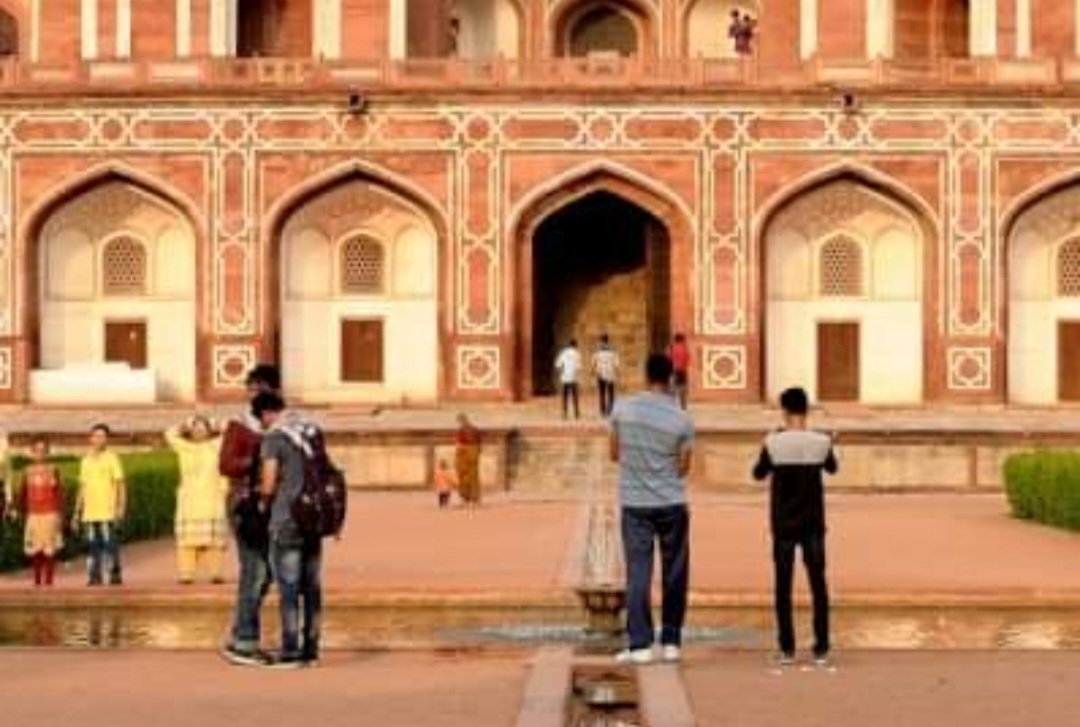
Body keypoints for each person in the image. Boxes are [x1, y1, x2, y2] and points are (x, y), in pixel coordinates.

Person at [609, 353, 695, 665]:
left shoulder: (622, 409)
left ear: (645, 376)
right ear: (671, 378)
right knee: (675, 572)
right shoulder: (682, 418)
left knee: (638, 572)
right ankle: (671, 641)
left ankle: (640, 644)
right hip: (671, 502)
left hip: (635, 503)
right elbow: (684, 467)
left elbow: (614, 453)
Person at [752, 387, 838, 667]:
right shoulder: (820, 441)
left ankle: (787, 648)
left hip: (783, 524)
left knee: (783, 586)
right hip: (813, 523)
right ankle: (821, 647)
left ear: (785, 411)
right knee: (818, 585)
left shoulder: (774, 442)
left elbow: (758, 473)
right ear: (807, 410)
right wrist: (830, 443)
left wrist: (764, 445)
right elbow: (832, 468)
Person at [254, 392, 323, 667]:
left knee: (289, 588)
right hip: (314, 518)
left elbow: (269, 482)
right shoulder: (311, 431)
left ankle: (291, 649)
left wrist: (262, 502)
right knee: (313, 587)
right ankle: (312, 649)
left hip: (287, 519)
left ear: (265, 414)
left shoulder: (274, 438)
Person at [219, 364, 279, 667]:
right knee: (255, 570)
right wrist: (258, 457)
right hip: (244, 503)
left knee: (265, 572)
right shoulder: (240, 425)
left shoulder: (278, 423)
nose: (253, 394)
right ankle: (244, 641)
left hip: (269, 506)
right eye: (251, 389)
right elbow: (226, 465)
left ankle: (238, 631)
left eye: (260, 389)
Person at [166, 416, 229, 585]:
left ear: (209, 432)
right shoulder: (184, 447)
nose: (199, 432)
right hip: (189, 499)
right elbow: (170, 434)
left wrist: (215, 423)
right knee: (187, 541)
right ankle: (186, 573)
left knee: (214, 541)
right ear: (190, 432)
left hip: (212, 497)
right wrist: (185, 423)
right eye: (195, 429)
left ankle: (215, 573)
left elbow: (229, 432)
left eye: (203, 429)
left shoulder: (215, 446)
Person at [73, 424, 126, 587]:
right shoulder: (86, 460)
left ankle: (114, 574)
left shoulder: (112, 458)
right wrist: (76, 512)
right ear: (90, 438)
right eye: (95, 436)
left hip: (107, 512)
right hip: (89, 513)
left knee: (110, 546)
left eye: (102, 436)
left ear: (107, 439)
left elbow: (120, 485)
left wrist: (121, 507)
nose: (98, 439)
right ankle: (94, 576)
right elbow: (82, 487)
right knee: (91, 547)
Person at [18, 438, 64, 587]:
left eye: (43, 451)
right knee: (35, 549)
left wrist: (60, 513)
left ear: (48, 453)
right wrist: (20, 512)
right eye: (37, 451)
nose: (40, 454)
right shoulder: (27, 471)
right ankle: (37, 582)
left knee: (49, 549)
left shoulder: (53, 469)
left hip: (50, 513)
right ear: (32, 453)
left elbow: (58, 492)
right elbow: (23, 493)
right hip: (33, 514)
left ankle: (49, 582)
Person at [455, 414, 482, 506]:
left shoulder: (462, 431)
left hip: (465, 451)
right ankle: (473, 499)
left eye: (459, 421)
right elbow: (479, 444)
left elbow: (459, 444)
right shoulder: (475, 429)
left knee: (464, 476)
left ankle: (466, 498)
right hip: (473, 451)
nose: (459, 423)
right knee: (472, 476)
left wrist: (459, 451)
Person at [592, 334, 620, 417]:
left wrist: (593, 370)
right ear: (608, 340)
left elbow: (593, 363)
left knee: (602, 393)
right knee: (610, 393)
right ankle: (610, 410)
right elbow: (617, 364)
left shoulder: (597, 351)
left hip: (600, 373)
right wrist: (617, 372)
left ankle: (603, 411)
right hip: (610, 374)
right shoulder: (613, 350)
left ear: (601, 341)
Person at [555, 339, 582, 420]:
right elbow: (579, 367)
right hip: (574, 378)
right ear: (575, 345)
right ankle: (576, 413)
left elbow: (558, 365)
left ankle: (564, 413)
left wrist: (562, 371)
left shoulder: (563, 353)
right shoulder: (577, 354)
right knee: (575, 396)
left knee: (565, 396)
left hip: (565, 378)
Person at [669, 333, 691, 410]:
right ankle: (683, 406)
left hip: (675, 370)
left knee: (673, 388)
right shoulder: (684, 348)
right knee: (683, 388)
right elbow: (688, 359)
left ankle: (672, 405)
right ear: (682, 340)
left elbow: (670, 359)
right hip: (683, 370)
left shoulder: (673, 348)